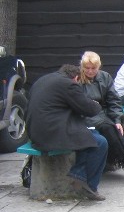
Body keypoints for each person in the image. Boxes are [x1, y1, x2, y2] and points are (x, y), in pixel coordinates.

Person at [27, 64, 107, 201]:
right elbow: (88, 109)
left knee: (92, 135)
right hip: (51, 132)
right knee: (101, 142)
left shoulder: (44, 79)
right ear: (75, 77)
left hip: (35, 132)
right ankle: (89, 186)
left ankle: (78, 174)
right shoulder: (68, 84)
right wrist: (97, 104)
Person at [79, 51, 124, 182]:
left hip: (104, 113)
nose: (90, 71)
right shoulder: (78, 80)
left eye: (93, 68)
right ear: (82, 67)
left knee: (120, 127)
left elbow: (114, 100)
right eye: (87, 68)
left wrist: (117, 118)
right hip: (88, 116)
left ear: (99, 67)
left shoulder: (105, 77)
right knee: (109, 128)